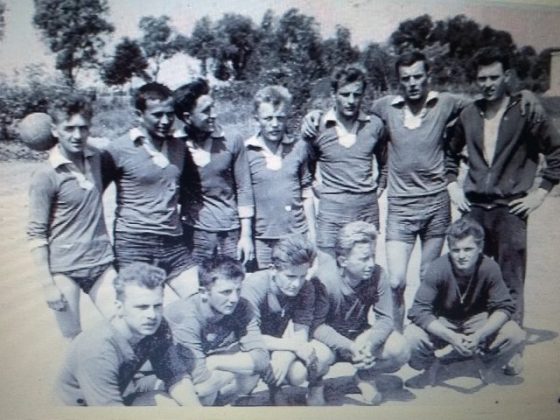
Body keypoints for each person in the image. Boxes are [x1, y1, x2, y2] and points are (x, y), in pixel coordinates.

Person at [302, 51, 543, 332]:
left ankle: (426, 333)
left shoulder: (445, 103)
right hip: (399, 208)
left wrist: (523, 95)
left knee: (429, 276)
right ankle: (394, 333)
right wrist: (313, 115)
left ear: (428, 76)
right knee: (395, 281)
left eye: (418, 76)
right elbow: (336, 138)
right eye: (406, 78)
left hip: (435, 206)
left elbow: (488, 100)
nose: (412, 83)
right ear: (399, 81)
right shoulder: (384, 108)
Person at [445, 47, 560, 373]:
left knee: (510, 281)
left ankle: (511, 347)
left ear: (506, 76)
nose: (488, 84)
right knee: (471, 276)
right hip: (474, 210)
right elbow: (449, 153)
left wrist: (540, 193)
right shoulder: (469, 114)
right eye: (482, 78)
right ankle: (474, 341)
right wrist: (453, 186)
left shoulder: (525, 110)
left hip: (510, 210)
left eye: (494, 77)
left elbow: (556, 152)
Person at [27, 94, 116, 339]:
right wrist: (48, 285)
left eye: (83, 128)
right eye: (69, 128)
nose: (77, 135)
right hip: (64, 269)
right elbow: (36, 233)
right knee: (73, 338)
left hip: (101, 262)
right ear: (54, 130)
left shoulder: (98, 159)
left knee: (124, 327)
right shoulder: (45, 175)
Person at [102, 82, 198, 298]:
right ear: (139, 114)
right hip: (134, 244)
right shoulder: (117, 149)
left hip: (173, 242)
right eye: (157, 115)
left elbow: (193, 191)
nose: (165, 121)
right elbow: (92, 197)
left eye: (170, 114)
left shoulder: (180, 147)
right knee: (142, 307)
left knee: (199, 302)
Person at [404, 218, 526, 387]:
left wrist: (480, 335)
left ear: (480, 248)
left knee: (515, 334)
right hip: (444, 320)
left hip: (477, 319)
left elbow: (504, 307)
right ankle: (431, 367)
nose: (462, 256)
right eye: (456, 250)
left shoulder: (489, 267)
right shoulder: (438, 268)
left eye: (468, 249)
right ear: (450, 249)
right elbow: (418, 310)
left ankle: (486, 363)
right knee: (411, 336)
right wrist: (451, 336)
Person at [56, 262, 199, 406]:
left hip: (119, 393)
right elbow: (108, 412)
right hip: (80, 409)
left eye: (157, 306)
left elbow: (174, 375)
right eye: (142, 307)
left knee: (180, 398)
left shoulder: (157, 326)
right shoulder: (98, 350)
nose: (152, 315)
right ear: (119, 307)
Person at [304, 64, 386, 288]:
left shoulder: (374, 125)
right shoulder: (318, 126)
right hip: (332, 213)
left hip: (365, 211)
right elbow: (306, 168)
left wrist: (377, 189)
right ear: (334, 94)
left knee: (363, 273)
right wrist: (320, 190)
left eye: (356, 95)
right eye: (345, 94)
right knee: (327, 279)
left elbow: (385, 164)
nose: (351, 101)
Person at [312, 221, 410, 405]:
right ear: (343, 261)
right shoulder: (323, 279)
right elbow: (316, 326)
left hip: (359, 337)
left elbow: (385, 318)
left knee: (401, 349)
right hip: (328, 341)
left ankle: (364, 376)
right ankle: (315, 385)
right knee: (317, 357)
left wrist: (370, 343)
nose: (371, 264)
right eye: (364, 259)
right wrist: (350, 346)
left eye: (372, 256)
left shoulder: (378, 274)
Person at [165, 255, 269, 405]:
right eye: (226, 292)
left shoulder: (242, 306)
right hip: (157, 379)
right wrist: (236, 368)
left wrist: (216, 361)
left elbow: (262, 359)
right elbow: (199, 379)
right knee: (206, 392)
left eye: (238, 290)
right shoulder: (186, 316)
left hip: (207, 369)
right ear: (203, 292)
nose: (234, 299)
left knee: (248, 378)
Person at [174, 79, 255, 266]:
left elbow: (244, 188)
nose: (214, 115)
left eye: (213, 107)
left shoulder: (232, 140)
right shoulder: (175, 144)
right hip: (193, 232)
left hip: (230, 232)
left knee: (233, 279)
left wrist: (246, 235)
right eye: (206, 111)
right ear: (187, 117)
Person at [241, 234, 328, 405]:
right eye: (290, 276)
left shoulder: (306, 288)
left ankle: (290, 386)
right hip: (243, 346)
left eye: (302, 276)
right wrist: (293, 347)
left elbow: (301, 334)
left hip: (275, 344)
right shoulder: (254, 286)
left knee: (300, 372)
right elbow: (250, 338)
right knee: (245, 383)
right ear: (273, 269)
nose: (296, 284)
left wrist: (285, 356)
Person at [245, 86, 316, 269]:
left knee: (297, 280)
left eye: (280, 117)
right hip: (263, 238)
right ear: (256, 119)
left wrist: (312, 233)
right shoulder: (247, 151)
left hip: (295, 234)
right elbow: (243, 197)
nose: (275, 124)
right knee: (266, 282)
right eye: (268, 118)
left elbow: (306, 192)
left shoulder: (299, 147)